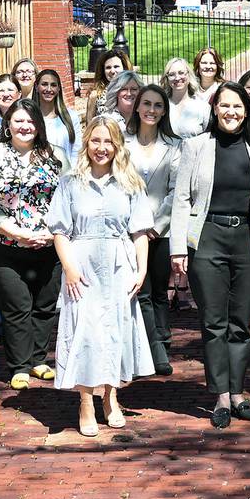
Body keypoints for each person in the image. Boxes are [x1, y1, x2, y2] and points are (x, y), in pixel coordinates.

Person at [170, 82, 250, 429]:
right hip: (207, 239)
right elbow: (182, 199)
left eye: (238, 106)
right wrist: (178, 248)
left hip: (249, 240)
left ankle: (237, 392)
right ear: (215, 109)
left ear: (246, 111)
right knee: (213, 321)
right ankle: (220, 395)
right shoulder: (196, 146)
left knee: (241, 321)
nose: (231, 112)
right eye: (225, 106)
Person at [50, 115, 156, 436]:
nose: (101, 148)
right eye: (95, 141)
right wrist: (69, 268)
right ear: (86, 143)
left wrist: (142, 268)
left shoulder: (130, 183)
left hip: (118, 264)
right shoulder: (70, 183)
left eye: (108, 141)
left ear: (117, 146)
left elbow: (139, 230)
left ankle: (111, 396)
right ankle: (85, 401)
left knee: (114, 331)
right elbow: (60, 231)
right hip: (81, 265)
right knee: (83, 331)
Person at [0, 101, 66, 391]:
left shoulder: (54, 155)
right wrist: (16, 232)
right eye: (18, 121)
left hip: (48, 243)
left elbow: (66, 197)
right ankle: (19, 365)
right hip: (7, 243)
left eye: (30, 121)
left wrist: (51, 231)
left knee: (44, 305)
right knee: (16, 305)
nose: (25, 126)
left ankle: (38, 359)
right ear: (8, 125)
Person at [125, 84, 180, 376]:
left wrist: (156, 226)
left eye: (158, 105)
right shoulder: (123, 143)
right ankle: (155, 348)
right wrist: (138, 228)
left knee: (159, 289)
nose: (151, 110)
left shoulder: (174, 145)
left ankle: (163, 334)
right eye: (146, 103)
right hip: (131, 232)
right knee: (141, 290)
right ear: (137, 107)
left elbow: (176, 191)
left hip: (161, 230)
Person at [34, 68, 82, 166]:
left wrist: (71, 172)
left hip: (66, 176)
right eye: (44, 84)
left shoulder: (71, 116)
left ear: (59, 88)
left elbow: (77, 149)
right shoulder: (29, 117)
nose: (48, 89)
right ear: (36, 87)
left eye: (53, 85)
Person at [162, 57, 211, 138]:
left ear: (189, 75)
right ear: (167, 78)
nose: (177, 78)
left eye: (181, 73)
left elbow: (209, 138)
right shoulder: (162, 106)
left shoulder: (202, 107)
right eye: (171, 74)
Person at [83, 51, 129, 121]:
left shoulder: (132, 92)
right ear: (103, 71)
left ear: (124, 68)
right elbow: (89, 125)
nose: (112, 71)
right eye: (108, 67)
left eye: (116, 66)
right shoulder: (95, 94)